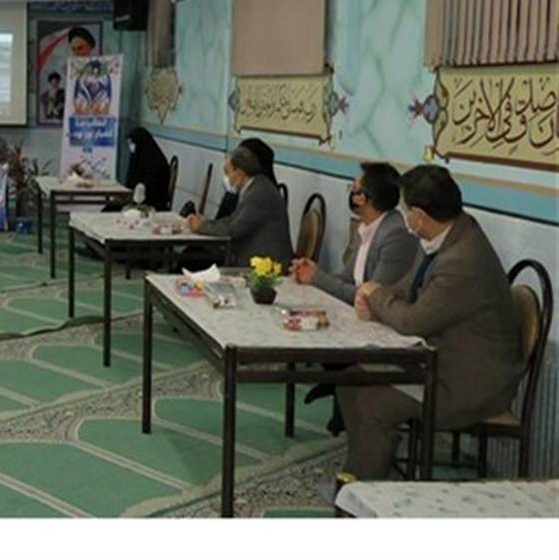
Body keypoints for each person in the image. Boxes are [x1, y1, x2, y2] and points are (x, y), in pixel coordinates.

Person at [337, 165, 523, 480]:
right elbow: (407, 287)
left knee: (372, 403)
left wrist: (376, 296)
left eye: (406, 210)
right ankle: (365, 465)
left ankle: (364, 487)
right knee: (350, 379)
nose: (404, 216)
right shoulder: (447, 234)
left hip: (467, 380)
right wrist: (374, 295)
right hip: (440, 359)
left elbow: (413, 321)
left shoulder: (462, 260)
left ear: (420, 216)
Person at [292, 162, 417, 305]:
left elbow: (371, 297)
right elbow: (348, 278)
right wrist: (311, 272)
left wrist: (317, 278)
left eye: (353, 188)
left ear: (361, 198)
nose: (351, 193)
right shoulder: (366, 226)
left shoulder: (396, 235)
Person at [186, 144, 293, 268]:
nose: (226, 177)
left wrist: (201, 227)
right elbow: (233, 219)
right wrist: (206, 224)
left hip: (266, 265)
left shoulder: (259, 194)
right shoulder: (255, 186)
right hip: (255, 258)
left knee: (195, 259)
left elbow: (234, 229)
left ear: (239, 173)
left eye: (228, 172)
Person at [123, 127, 172, 210]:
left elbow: (154, 186)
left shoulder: (156, 161)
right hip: (135, 200)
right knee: (110, 208)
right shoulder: (138, 156)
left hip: (152, 203)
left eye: (132, 143)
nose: (131, 146)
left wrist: (141, 188)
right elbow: (130, 181)